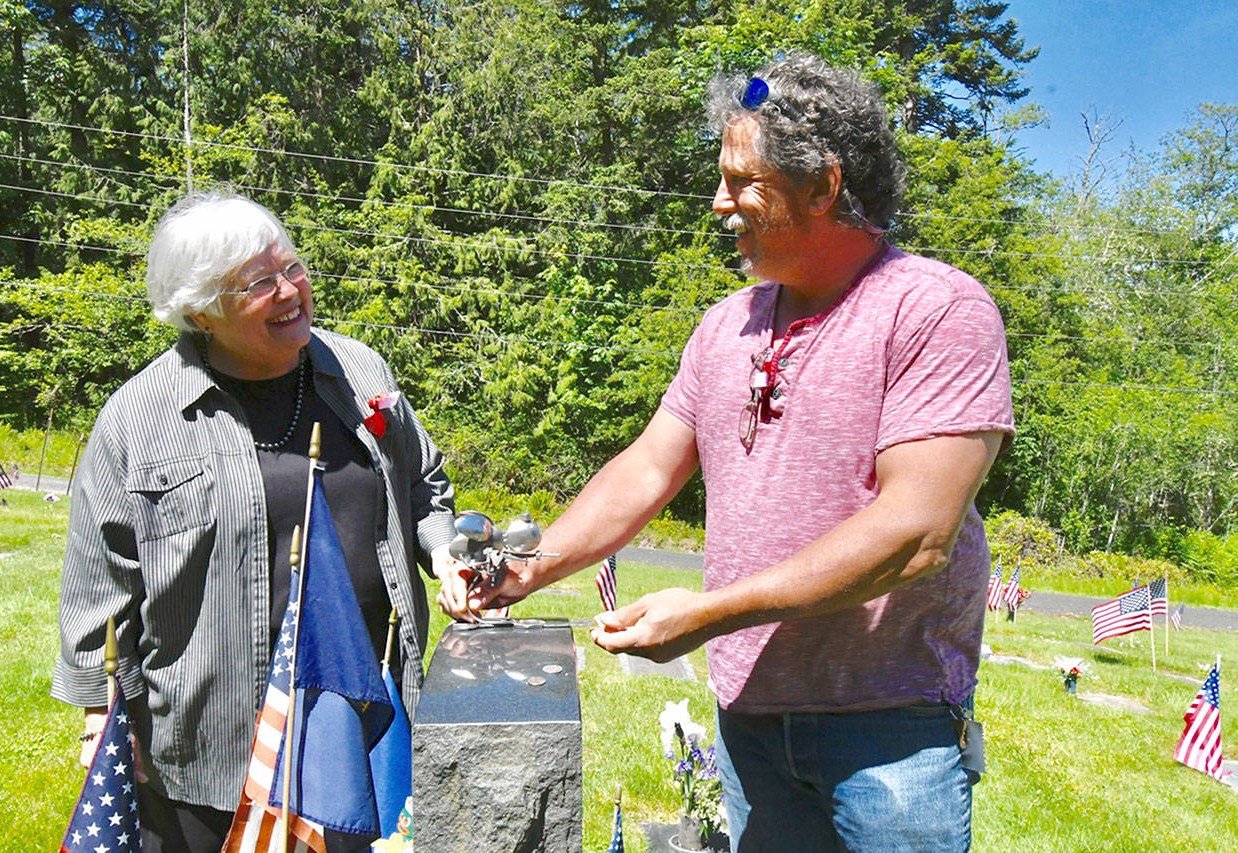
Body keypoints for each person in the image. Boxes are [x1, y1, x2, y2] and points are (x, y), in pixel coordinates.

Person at [441, 53, 1014, 851]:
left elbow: (916, 535)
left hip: (890, 736)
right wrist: (524, 570)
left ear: (822, 186)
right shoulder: (727, 324)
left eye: (744, 182)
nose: (720, 204)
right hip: (749, 726)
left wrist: (706, 615)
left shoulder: (936, 309)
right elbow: (647, 468)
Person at [51, 191, 464, 850]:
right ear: (199, 311)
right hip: (211, 756)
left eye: (291, 267)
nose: (289, 290)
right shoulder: (138, 419)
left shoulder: (361, 373)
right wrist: (100, 718)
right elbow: (102, 588)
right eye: (259, 283)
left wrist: (445, 553)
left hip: (358, 725)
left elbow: (422, 484)